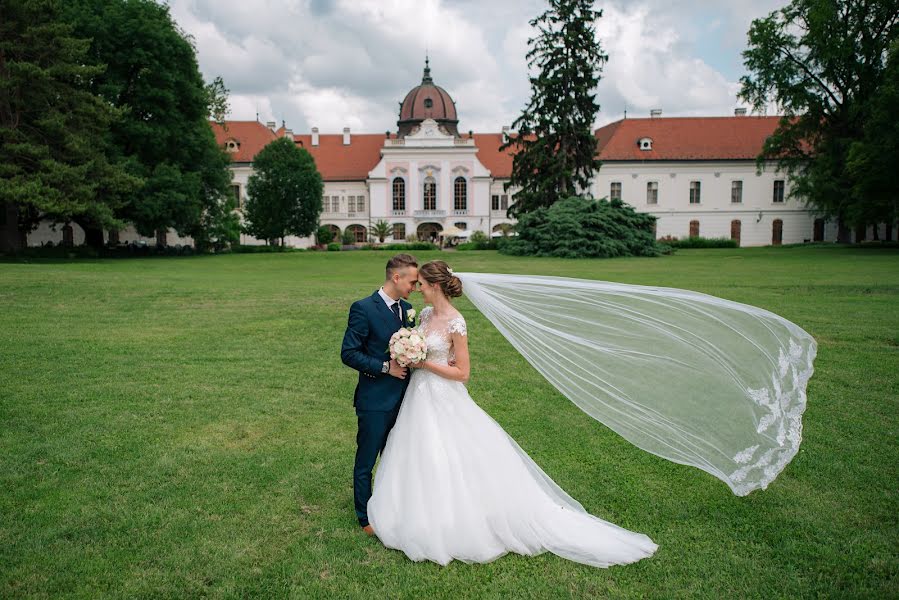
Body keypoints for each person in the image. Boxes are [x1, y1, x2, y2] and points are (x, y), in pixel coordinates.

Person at [366, 260, 658, 567]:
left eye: (422, 285)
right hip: (418, 396)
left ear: (435, 286)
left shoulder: (456, 322)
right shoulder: (424, 315)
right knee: (419, 452)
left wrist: (424, 363)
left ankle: (457, 520)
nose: (418, 289)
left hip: (443, 395)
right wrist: (407, 350)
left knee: (449, 454)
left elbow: (463, 372)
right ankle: (416, 512)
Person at [340, 254, 419, 535]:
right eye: (412, 281)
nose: (415, 286)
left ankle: (392, 507)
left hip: (406, 399)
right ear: (396, 278)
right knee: (367, 459)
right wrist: (385, 367)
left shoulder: (408, 309)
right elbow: (348, 353)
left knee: (395, 456)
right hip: (374, 400)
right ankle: (365, 517)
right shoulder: (363, 308)